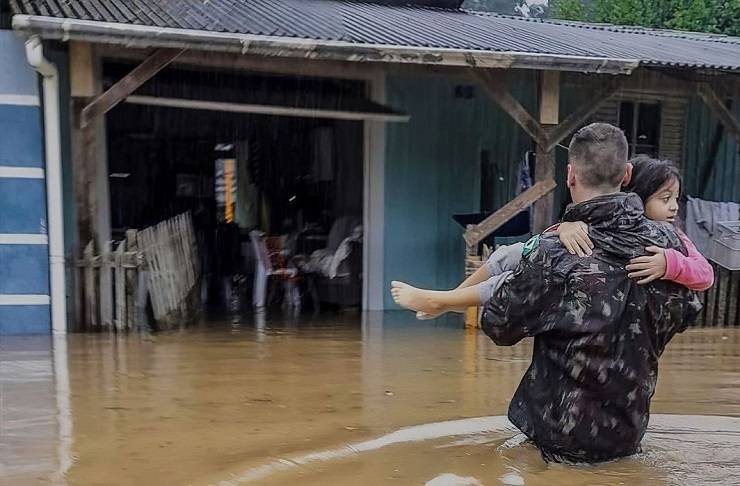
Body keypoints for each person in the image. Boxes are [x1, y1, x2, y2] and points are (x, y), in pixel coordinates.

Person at [478, 123, 702, 463]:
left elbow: (497, 325)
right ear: (627, 174)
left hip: (558, 439)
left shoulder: (554, 253)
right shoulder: (669, 244)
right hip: (630, 433)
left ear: (570, 175)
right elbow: (687, 311)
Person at [390, 156, 713, 318]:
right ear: (633, 191)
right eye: (664, 198)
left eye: (675, 199)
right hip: (590, 290)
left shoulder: (671, 239)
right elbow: (550, 244)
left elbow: (705, 275)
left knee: (517, 280)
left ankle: (443, 302)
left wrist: (669, 264)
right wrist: (566, 226)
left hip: (603, 299)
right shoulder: (596, 218)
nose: (672, 208)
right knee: (510, 255)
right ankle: (451, 300)